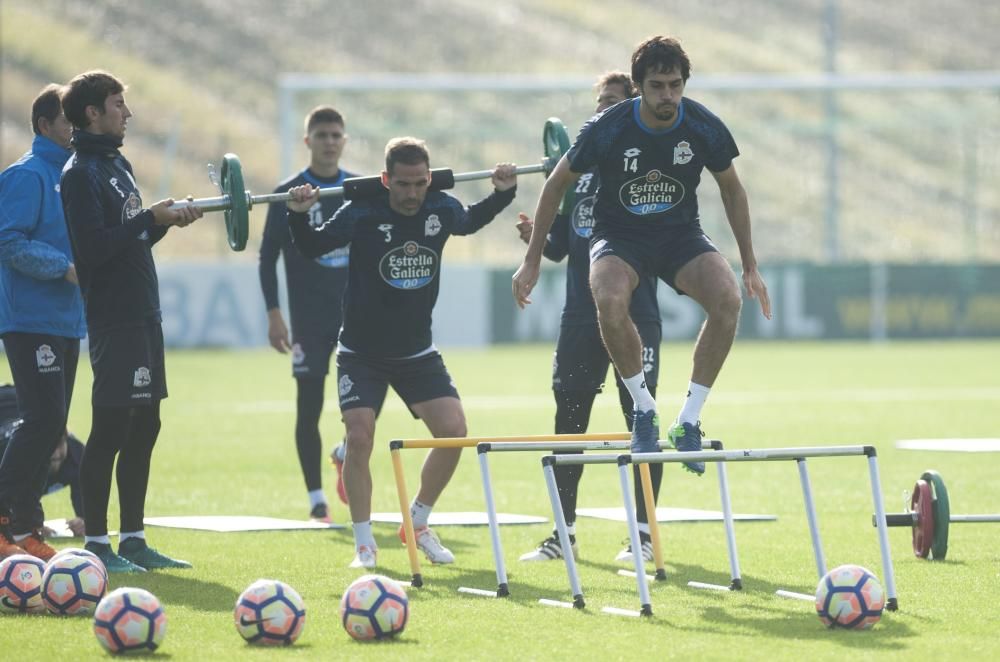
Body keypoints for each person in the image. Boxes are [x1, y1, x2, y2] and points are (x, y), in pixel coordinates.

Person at [513, 36, 771, 478]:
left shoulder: (703, 125)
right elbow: (555, 185)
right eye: (657, 86)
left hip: (679, 236)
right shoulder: (608, 127)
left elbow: (732, 188)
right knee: (610, 299)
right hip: (619, 236)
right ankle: (644, 412)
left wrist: (749, 264)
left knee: (728, 299)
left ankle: (688, 419)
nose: (667, 95)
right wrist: (533, 260)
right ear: (640, 86)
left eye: (675, 85)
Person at [287, 138, 517, 568]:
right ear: (385, 180)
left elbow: (469, 222)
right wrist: (298, 214)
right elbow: (313, 247)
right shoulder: (361, 211)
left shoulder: (441, 208)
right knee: (360, 437)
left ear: (429, 179)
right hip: (361, 352)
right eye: (403, 185)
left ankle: (417, 521)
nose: (412, 194)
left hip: (416, 352)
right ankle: (364, 545)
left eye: (420, 184)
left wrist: (504, 193)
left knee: (455, 432)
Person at [515, 72, 666, 564]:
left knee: (640, 420)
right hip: (580, 318)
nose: (601, 112)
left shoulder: (645, 174)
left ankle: (642, 535)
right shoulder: (576, 175)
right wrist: (534, 239)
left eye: (612, 104)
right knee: (569, 424)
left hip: (635, 316)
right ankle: (564, 534)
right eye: (598, 103)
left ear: (633, 109)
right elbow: (561, 246)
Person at [60, 70, 202, 573]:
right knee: (112, 426)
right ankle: (97, 543)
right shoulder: (78, 174)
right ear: (92, 113)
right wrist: (148, 220)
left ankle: (135, 540)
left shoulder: (118, 164)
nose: (128, 113)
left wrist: (163, 224)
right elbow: (93, 251)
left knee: (146, 424)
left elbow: (132, 241)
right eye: (118, 104)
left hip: (145, 312)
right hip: (115, 319)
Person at [259, 106, 359, 522]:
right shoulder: (288, 192)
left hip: (356, 314)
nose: (330, 142)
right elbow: (267, 258)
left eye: (337, 135)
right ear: (308, 142)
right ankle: (317, 498)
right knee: (309, 405)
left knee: (366, 401)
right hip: (308, 318)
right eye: (322, 135)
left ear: (345, 140)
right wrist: (274, 314)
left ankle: (345, 453)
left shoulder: (359, 188)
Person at [0, 84, 86, 561]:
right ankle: (11, 519)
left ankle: (25, 527)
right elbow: (6, 241)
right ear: (45, 126)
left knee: (52, 425)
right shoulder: (26, 176)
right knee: (43, 420)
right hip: (30, 318)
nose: (76, 130)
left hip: (65, 320)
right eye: (69, 121)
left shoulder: (76, 176)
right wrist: (63, 267)